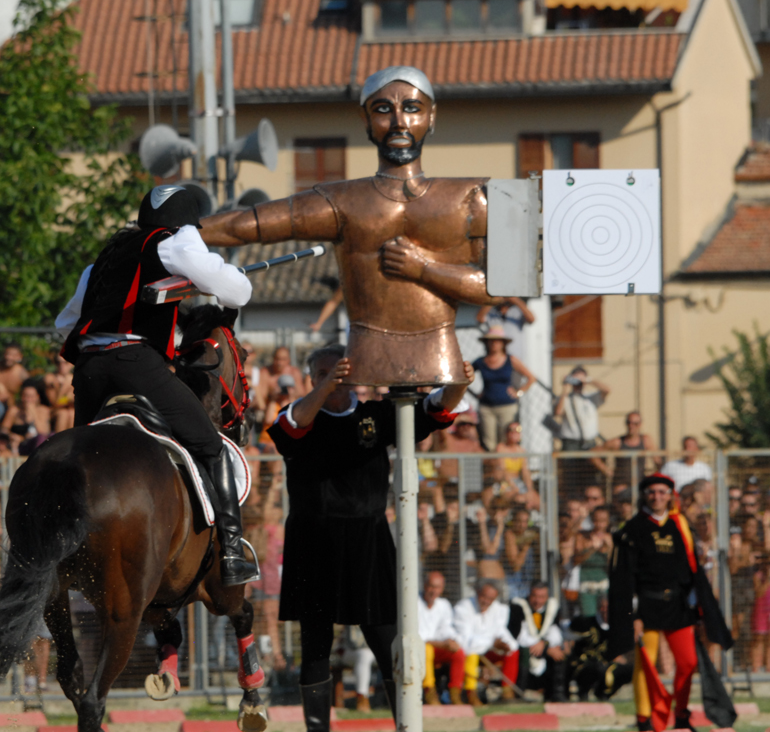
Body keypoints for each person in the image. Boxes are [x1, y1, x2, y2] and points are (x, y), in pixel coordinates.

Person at [200, 66, 496, 388]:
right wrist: (169, 233)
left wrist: (423, 269)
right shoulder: (344, 201)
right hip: (367, 360)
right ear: (365, 120)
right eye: (383, 110)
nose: (399, 122)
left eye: (412, 108)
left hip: (440, 358)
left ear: (431, 117)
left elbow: (497, 289)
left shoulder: (470, 196)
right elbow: (246, 225)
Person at [56, 183, 257, 586]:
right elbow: (238, 291)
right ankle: (232, 549)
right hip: (134, 363)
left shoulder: (103, 260)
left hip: (89, 369)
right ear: (187, 222)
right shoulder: (175, 243)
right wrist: (226, 274)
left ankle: (58, 551)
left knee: (73, 462)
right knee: (209, 445)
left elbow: (65, 324)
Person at [265, 345, 472, 727]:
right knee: (315, 646)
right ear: (312, 378)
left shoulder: (376, 415)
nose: (336, 378)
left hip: (369, 539)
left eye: (341, 372)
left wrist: (459, 382)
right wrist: (327, 386)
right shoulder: (299, 414)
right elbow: (292, 428)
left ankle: (405, 722)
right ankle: (318, 727)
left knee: (387, 637)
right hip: (315, 540)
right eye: (325, 373)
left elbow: (436, 409)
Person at [608, 473, 733, 732]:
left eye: (662, 492)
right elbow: (626, 576)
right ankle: (645, 720)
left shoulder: (680, 525)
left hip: (677, 606)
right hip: (647, 606)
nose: (657, 497)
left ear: (670, 495)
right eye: (652, 492)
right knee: (646, 664)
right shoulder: (634, 528)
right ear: (645, 495)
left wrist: (698, 610)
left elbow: (690, 569)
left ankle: (681, 716)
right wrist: (634, 615)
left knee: (687, 662)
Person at [453, 580, 519, 704]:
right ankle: (470, 693)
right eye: (484, 597)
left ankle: (507, 693)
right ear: (477, 592)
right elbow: (466, 642)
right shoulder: (463, 607)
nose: (486, 601)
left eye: (491, 599)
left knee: (512, 651)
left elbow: (502, 633)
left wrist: (506, 645)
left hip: (488, 652)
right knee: (471, 653)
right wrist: (491, 643)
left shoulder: (499, 609)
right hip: (469, 654)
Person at [471, 327, 535, 452]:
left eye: (497, 341)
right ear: (486, 343)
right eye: (491, 341)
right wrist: (474, 394)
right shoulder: (480, 362)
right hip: (487, 407)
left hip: (507, 407)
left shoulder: (511, 360)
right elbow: (463, 377)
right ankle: (492, 468)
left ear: (503, 343)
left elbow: (531, 378)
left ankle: (504, 469)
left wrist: (519, 392)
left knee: (505, 440)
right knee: (488, 441)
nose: (494, 344)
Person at [508, 581, 567, 702]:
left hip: (544, 648)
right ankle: (519, 693)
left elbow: (555, 633)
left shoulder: (553, 608)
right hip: (526, 648)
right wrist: (541, 645)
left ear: (547, 597)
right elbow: (520, 635)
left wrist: (545, 645)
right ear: (529, 595)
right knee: (523, 653)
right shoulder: (519, 607)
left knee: (559, 653)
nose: (537, 601)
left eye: (542, 597)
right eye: (534, 596)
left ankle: (557, 693)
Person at [554, 367, 609, 494]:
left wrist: (588, 380)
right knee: (571, 479)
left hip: (589, 443)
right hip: (571, 443)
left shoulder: (590, 397)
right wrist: (565, 388)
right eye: (575, 379)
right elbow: (558, 412)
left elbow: (607, 389)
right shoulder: (565, 398)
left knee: (590, 477)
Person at [419, 571, 470, 706]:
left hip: (437, 647)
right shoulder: (413, 603)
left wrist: (451, 641)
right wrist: (442, 643)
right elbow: (418, 636)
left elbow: (445, 629)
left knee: (458, 653)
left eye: (437, 587)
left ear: (442, 589)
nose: (433, 591)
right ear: (424, 586)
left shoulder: (444, 604)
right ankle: (429, 691)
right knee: (426, 650)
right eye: (431, 586)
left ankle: (455, 694)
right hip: (419, 650)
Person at [568, 595, 619, 701]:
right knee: (596, 667)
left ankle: (603, 694)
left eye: (609, 607)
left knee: (626, 669)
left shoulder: (616, 626)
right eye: (603, 607)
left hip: (606, 663)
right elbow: (571, 631)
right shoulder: (587, 623)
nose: (606, 610)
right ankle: (583, 692)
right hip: (585, 663)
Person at [574, 506, 613, 617]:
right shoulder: (582, 537)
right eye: (596, 520)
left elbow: (613, 565)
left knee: (607, 615)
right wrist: (592, 548)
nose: (600, 525)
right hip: (586, 585)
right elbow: (576, 560)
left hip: (604, 585)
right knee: (588, 616)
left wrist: (609, 549)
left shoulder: (611, 538)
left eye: (603, 521)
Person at [599, 411, 658, 482]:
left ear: (640, 424)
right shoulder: (617, 442)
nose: (631, 426)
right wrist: (606, 470)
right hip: (621, 485)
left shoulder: (646, 440)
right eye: (629, 422)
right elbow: (593, 453)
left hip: (640, 483)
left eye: (635, 424)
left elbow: (657, 461)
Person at [1, 381, 51, 455]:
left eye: (31, 396)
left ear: (37, 397)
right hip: (19, 445)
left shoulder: (43, 410)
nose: (28, 400)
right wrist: (12, 435)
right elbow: (3, 430)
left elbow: (44, 432)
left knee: (41, 438)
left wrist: (33, 414)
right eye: (25, 396)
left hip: (37, 446)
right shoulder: (14, 410)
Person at [504, 508, 539, 602]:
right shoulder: (509, 535)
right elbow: (516, 566)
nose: (522, 525)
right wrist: (525, 547)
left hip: (527, 585)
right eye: (519, 521)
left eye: (525, 521)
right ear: (513, 522)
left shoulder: (532, 535)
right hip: (512, 586)